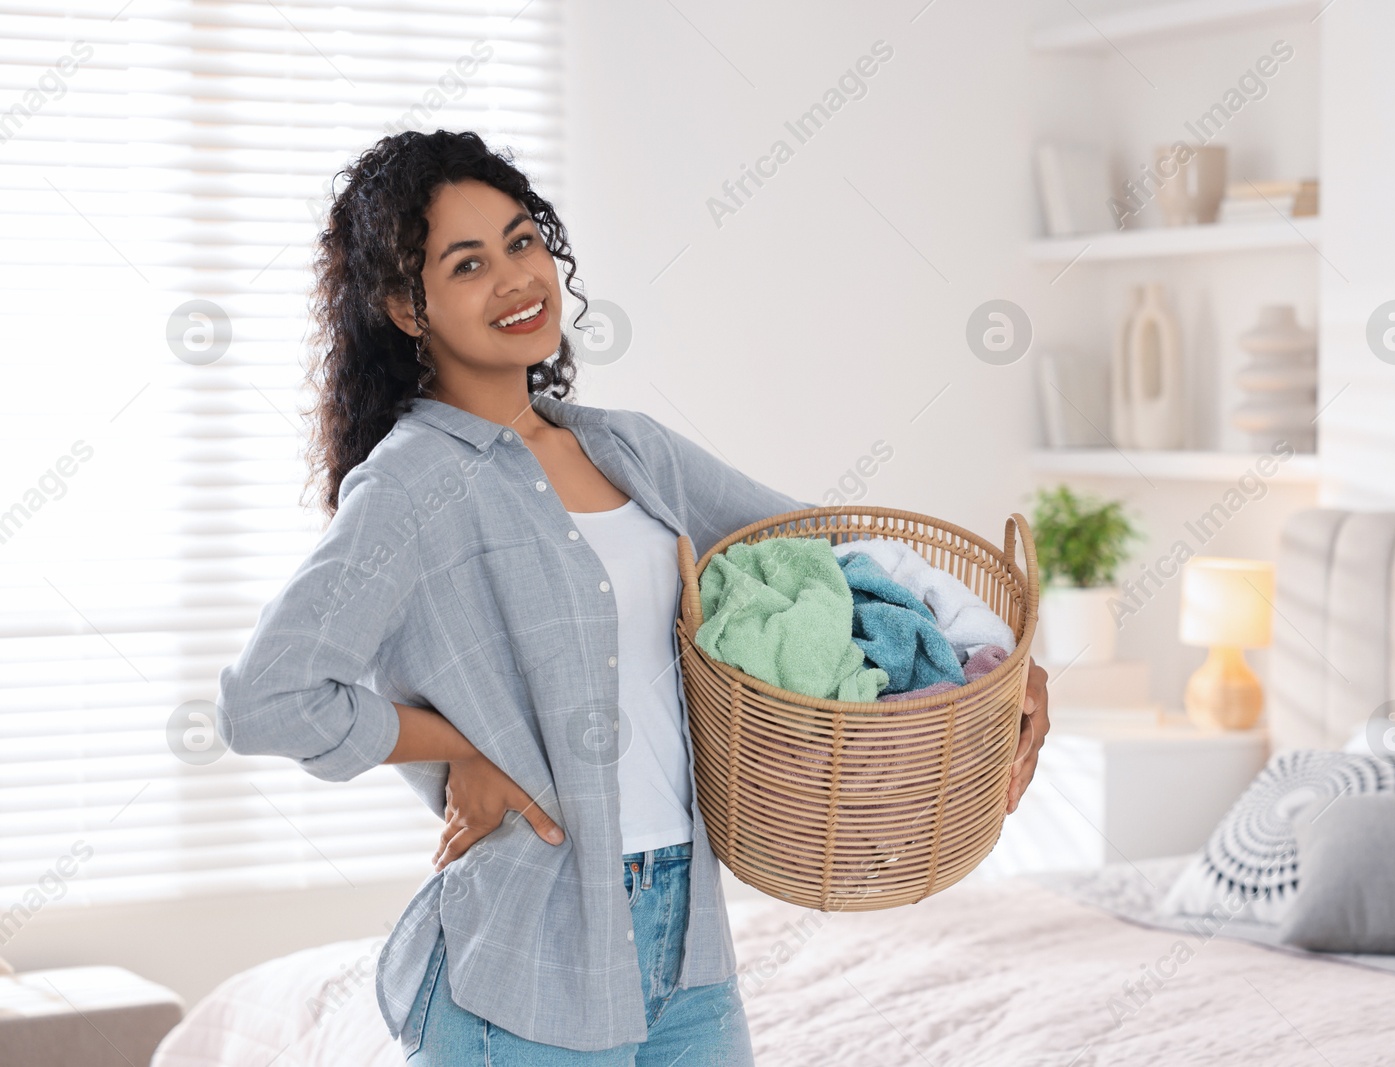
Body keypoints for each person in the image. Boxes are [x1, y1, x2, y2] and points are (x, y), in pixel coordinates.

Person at [214, 128, 1049, 1065]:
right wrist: (463, 745)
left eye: (524, 241)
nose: (515, 278)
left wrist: (1003, 654)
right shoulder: (410, 484)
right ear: (408, 309)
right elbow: (266, 699)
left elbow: (828, 541)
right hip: (524, 967)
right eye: (468, 263)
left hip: (688, 946)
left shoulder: (631, 449)